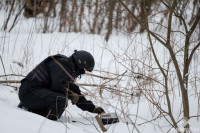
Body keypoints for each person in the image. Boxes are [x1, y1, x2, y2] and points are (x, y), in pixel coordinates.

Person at [18, 50, 105, 120]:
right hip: (28, 93)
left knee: (61, 98)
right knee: (60, 99)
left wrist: (92, 108)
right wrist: (71, 96)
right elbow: (58, 86)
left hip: (32, 93)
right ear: (80, 63)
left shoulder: (67, 69)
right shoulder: (61, 63)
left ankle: (32, 109)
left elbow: (75, 91)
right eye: (84, 69)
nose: (83, 72)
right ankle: (44, 122)